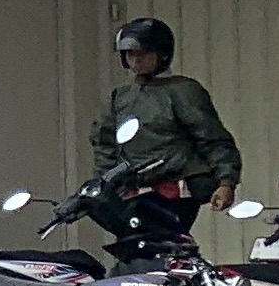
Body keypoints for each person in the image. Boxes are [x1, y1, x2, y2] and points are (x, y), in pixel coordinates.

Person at [97, 16, 238, 223]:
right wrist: (104, 185)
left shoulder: (183, 91)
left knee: (167, 245)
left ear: (161, 54)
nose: (135, 60)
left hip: (175, 191)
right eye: (130, 54)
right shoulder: (120, 96)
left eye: (143, 54)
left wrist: (226, 182)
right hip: (129, 191)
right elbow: (104, 143)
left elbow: (212, 139)